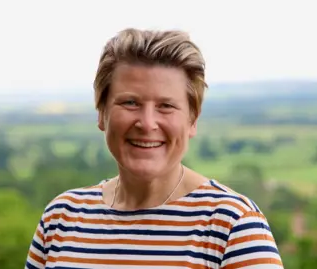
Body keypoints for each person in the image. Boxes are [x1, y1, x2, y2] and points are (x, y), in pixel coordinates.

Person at [25, 28, 284, 269]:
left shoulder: (233, 227)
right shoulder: (61, 219)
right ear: (102, 113)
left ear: (192, 120)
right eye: (130, 102)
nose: (147, 123)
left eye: (166, 106)